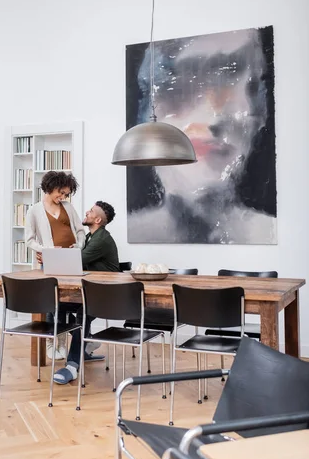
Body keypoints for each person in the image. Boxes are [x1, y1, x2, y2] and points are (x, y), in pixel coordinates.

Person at [126, 27, 277, 244]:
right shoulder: (130, 234)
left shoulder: (269, 234)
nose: (209, 118)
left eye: (232, 81)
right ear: (146, 115)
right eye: (176, 88)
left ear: (260, 113)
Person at [53, 200, 120, 385]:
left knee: (82, 316)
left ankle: (72, 366)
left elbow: (78, 260)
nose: (87, 213)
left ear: (97, 219)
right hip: (90, 290)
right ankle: (83, 345)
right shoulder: (92, 237)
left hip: (106, 295)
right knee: (55, 306)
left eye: (90, 211)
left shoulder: (101, 239)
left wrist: (54, 254)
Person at [25, 170, 85, 360]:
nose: (63, 196)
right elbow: (29, 240)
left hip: (71, 260)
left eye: (66, 194)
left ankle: (61, 343)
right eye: (61, 192)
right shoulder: (34, 210)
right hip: (51, 262)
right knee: (53, 302)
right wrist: (45, 250)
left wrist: (79, 245)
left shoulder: (68, 207)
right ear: (50, 188)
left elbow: (81, 231)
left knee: (67, 301)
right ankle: (51, 341)